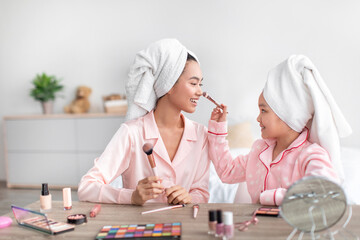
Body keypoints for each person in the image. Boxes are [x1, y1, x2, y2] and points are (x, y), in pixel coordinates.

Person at [78, 39, 210, 205]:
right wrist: (131, 196)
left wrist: (190, 197)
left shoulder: (201, 134)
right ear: (169, 85)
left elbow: (202, 192)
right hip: (141, 228)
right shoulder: (131, 133)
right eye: (193, 83)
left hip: (185, 227)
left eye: (200, 84)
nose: (200, 91)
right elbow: (86, 187)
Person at [208, 55, 352, 206]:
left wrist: (271, 197)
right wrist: (218, 131)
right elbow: (227, 172)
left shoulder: (311, 155)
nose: (258, 118)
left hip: (290, 229)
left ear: (287, 115)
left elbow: (325, 192)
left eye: (263, 111)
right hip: (257, 227)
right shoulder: (259, 151)